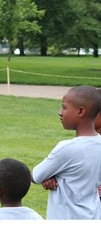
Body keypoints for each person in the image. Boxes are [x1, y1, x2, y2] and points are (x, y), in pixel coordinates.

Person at [32, 85, 101, 219]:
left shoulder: (66, 148)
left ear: (81, 111)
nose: (60, 112)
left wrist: (50, 175)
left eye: (64, 107)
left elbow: (35, 175)